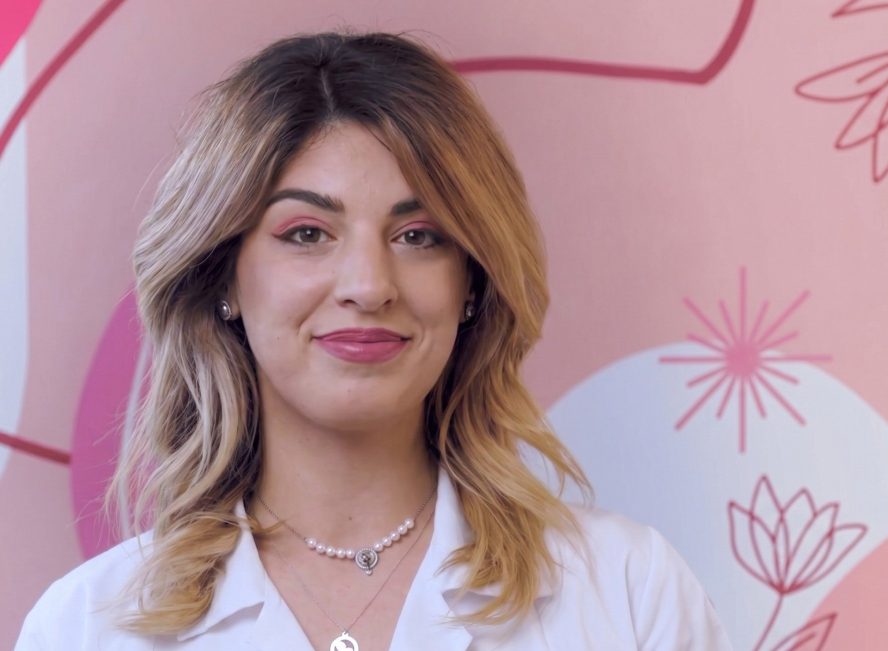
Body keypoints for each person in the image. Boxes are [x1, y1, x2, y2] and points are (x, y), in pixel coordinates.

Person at [14, 31, 732, 650]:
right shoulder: (88, 625)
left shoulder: (629, 592)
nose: (368, 284)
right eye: (307, 234)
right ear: (222, 275)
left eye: (418, 236)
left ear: (471, 281)